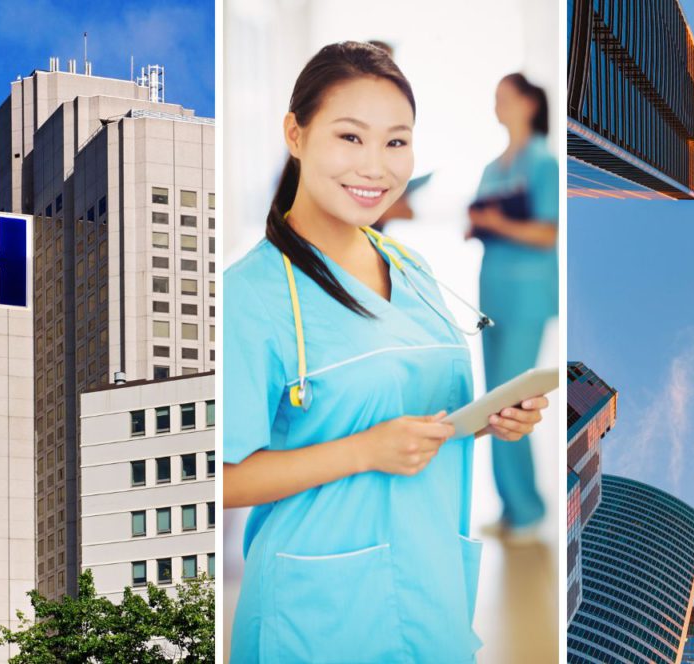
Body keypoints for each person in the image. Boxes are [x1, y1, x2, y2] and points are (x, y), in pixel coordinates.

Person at [224, 42, 550, 663]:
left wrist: (486, 422)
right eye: (351, 137)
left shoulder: (414, 268)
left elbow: (412, 412)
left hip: (432, 601)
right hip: (314, 621)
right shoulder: (251, 295)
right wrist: (363, 450)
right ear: (296, 134)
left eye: (396, 142)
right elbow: (214, 480)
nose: (375, 166)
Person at [468, 73, 559, 542]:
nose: (495, 105)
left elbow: (547, 232)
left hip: (527, 294)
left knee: (510, 404)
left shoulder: (545, 163)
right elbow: (481, 220)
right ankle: (511, 507)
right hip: (491, 293)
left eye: (503, 96)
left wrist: (495, 220)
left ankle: (527, 510)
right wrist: (478, 224)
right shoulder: (491, 166)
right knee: (491, 403)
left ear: (527, 104)